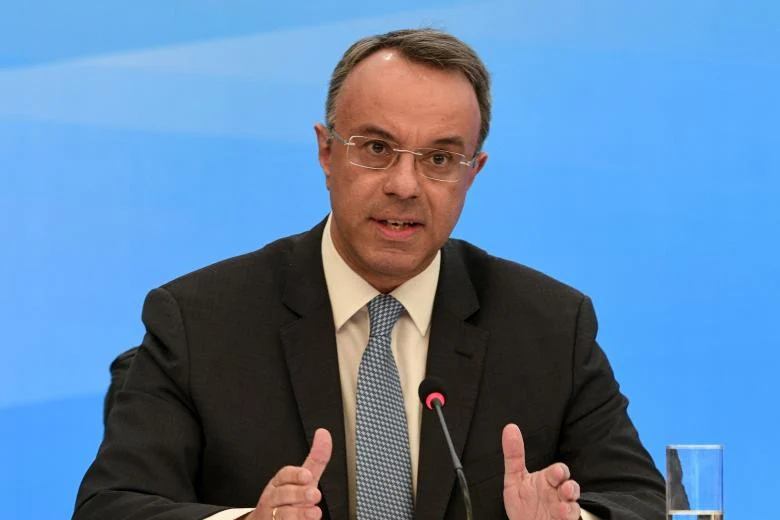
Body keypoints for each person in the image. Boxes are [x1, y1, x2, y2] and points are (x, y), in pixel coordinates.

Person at [73, 28, 665, 520]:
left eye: (440, 158)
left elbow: (642, 501)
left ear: (473, 172)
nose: (405, 186)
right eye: (377, 148)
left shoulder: (550, 325)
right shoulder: (199, 321)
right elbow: (110, 506)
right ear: (326, 151)